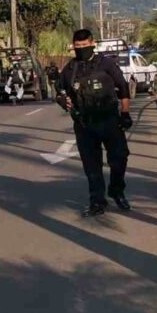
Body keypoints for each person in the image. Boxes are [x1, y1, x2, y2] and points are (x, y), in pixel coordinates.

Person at [56, 29, 133, 217]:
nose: (81, 49)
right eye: (77, 46)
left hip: (109, 120)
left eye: (84, 45)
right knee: (92, 166)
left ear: (93, 44)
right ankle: (97, 201)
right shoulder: (70, 69)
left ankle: (116, 190)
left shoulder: (106, 64)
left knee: (119, 158)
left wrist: (125, 113)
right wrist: (61, 99)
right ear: (73, 46)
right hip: (84, 124)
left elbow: (122, 87)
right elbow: (59, 90)